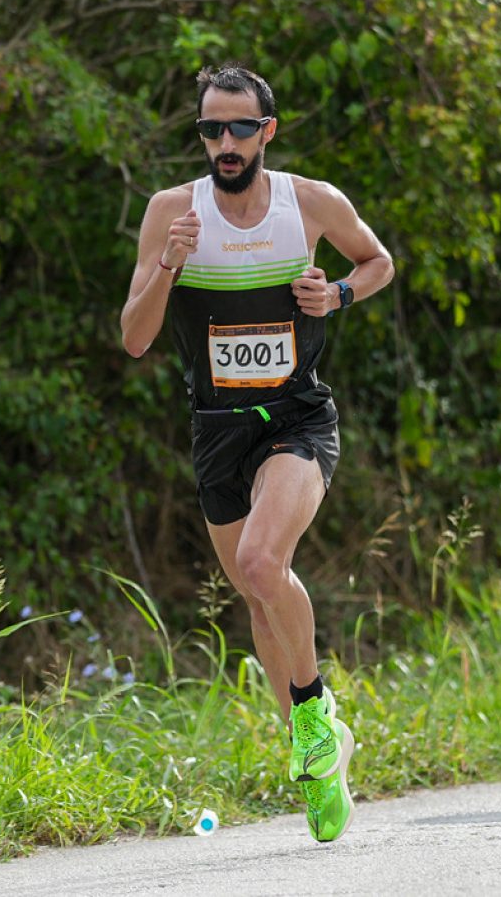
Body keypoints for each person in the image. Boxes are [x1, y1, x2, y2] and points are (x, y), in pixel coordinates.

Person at [120, 63, 394, 842]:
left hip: (296, 419)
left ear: (267, 131)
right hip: (216, 428)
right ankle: (323, 763)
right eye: (212, 129)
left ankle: (312, 715)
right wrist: (170, 263)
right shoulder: (172, 212)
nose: (227, 142)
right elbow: (135, 337)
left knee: (262, 564)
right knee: (256, 596)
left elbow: (378, 261)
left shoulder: (309, 202)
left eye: (241, 127)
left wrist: (338, 295)